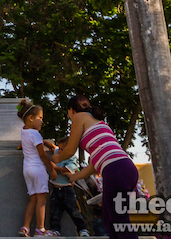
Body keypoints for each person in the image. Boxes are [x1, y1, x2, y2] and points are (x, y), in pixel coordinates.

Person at [53, 94, 140, 239]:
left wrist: (57, 157)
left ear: (71, 110)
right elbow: (93, 166)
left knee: (118, 219)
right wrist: (74, 177)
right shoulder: (100, 124)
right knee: (109, 217)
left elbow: (70, 150)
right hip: (126, 168)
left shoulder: (79, 117)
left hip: (115, 170)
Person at [17, 100, 54, 237]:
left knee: (33, 199)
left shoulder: (24, 131)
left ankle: (25, 227)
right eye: (40, 118)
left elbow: (33, 141)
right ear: (31, 118)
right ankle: (40, 229)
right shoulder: (36, 134)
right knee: (42, 200)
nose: (42, 121)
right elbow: (43, 155)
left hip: (27, 170)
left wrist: (44, 142)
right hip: (38, 169)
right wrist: (52, 170)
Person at [48, 136, 91, 237]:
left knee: (74, 211)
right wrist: (43, 142)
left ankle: (82, 229)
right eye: (59, 148)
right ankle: (55, 229)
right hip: (56, 189)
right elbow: (53, 147)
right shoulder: (58, 152)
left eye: (62, 149)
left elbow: (67, 169)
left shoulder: (71, 158)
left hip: (66, 189)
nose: (59, 151)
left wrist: (55, 167)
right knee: (55, 211)